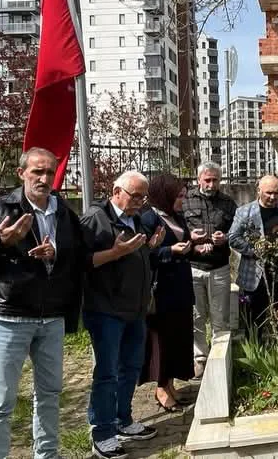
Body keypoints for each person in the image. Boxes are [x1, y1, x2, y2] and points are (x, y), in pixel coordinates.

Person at [0, 147, 87, 459]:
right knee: (0, 403)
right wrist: (2, 242)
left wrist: (56, 253)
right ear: (21, 173)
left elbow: (79, 256)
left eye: (50, 172)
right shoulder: (2, 208)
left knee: (50, 395)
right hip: (9, 317)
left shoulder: (63, 211)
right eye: (37, 172)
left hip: (51, 317)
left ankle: (47, 455)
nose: (44, 179)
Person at [81, 171, 165, 459]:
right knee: (107, 373)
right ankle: (102, 432)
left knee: (131, 367)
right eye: (135, 196)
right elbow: (81, 262)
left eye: (143, 197)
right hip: (106, 310)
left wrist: (150, 249)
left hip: (135, 309)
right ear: (116, 192)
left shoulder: (136, 219)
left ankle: (122, 419)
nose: (140, 202)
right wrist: (115, 252)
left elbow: (135, 258)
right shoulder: (96, 219)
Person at [138, 174, 194, 413]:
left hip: (180, 286)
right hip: (161, 291)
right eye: (178, 196)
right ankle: (161, 388)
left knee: (178, 337)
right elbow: (144, 254)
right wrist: (170, 250)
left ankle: (170, 384)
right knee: (162, 340)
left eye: (183, 196)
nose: (182, 201)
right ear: (165, 196)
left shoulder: (176, 216)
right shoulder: (148, 219)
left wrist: (192, 245)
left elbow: (184, 241)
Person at [183, 162, 237, 378]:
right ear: (199, 180)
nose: (211, 184)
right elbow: (177, 231)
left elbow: (237, 230)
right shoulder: (186, 201)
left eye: (215, 180)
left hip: (219, 267)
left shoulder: (228, 203)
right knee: (196, 317)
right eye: (207, 180)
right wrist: (192, 244)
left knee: (220, 316)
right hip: (193, 267)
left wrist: (225, 238)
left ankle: (219, 358)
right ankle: (200, 358)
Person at [228, 175, 278, 332]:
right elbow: (233, 238)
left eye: (276, 193)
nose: (273, 197)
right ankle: (256, 346)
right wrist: (255, 250)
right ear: (258, 191)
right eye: (269, 193)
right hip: (254, 274)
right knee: (254, 321)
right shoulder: (244, 212)